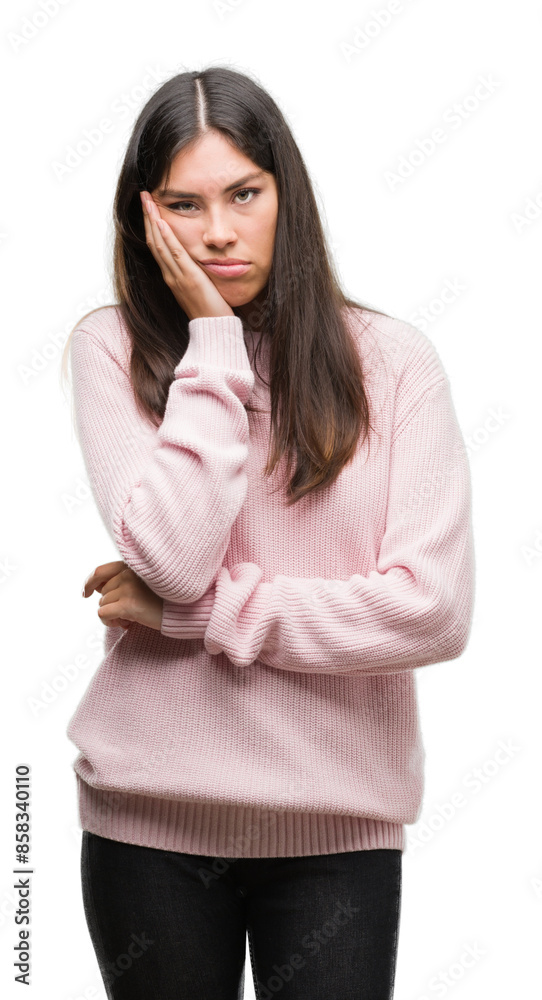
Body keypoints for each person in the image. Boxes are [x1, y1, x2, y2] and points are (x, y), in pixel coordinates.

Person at [62, 65, 475, 1000]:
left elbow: (430, 614)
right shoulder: (111, 349)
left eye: (244, 194)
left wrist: (192, 617)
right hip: (148, 825)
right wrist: (215, 347)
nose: (216, 232)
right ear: (148, 217)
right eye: (185, 204)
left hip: (336, 830)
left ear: (286, 192)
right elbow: (170, 554)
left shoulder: (395, 364)